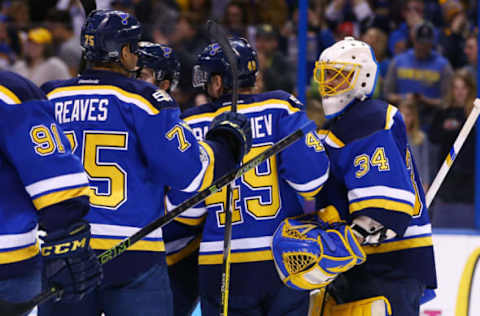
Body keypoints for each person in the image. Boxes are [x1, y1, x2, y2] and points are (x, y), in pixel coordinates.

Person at [39, 10, 251, 316]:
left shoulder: (48, 97)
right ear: (124, 52)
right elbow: (190, 175)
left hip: (64, 252)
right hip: (132, 255)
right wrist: (225, 144)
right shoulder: (143, 99)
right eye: (134, 48)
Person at [166, 37, 330, 315]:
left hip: (223, 263)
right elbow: (311, 181)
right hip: (286, 258)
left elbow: (185, 212)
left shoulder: (191, 122)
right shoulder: (282, 108)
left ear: (218, 82)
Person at [310, 36, 437, 315]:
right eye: (326, 75)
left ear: (363, 78)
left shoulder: (369, 118)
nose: (328, 84)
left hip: (388, 265)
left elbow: (383, 212)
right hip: (365, 267)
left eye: (338, 76)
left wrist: (341, 244)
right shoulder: (340, 127)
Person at [0, 70, 101, 306]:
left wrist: (67, 235)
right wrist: (68, 238)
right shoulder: (11, 92)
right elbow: (54, 176)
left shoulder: (10, 94)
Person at [136, 41, 201, 316]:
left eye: (141, 75)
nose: (131, 79)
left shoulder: (176, 127)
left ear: (164, 84)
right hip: (119, 246)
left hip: (172, 255)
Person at [428, 69, 476, 228]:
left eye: (463, 88)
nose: (460, 92)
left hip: (471, 174)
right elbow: (433, 137)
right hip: (447, 172)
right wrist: (444, 128)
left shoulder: (475, 113)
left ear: (469, 89)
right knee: (445, 215)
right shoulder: (444, 112)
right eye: (456, 88)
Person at [384, 21, 453, 129]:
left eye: (426, 44)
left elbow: (448, 101)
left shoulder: (443, 65)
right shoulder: (398, 61)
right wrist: (405, 98)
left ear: (432, 43)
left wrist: (426, 100)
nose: (422, 47)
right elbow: (387, 94)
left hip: (432, 122)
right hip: (401, 120)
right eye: (420, 43)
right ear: (413, 40)